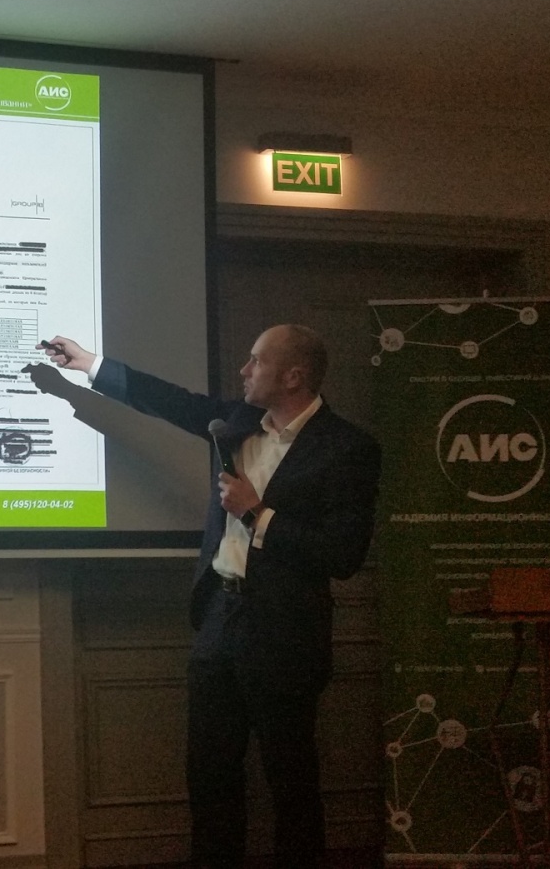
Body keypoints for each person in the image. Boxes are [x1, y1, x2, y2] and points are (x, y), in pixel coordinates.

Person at [37, 325, 381, 869]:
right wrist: (89, 364)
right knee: (210, 775)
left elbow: (342, 555)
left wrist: (256, 513)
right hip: (219, 617)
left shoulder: (348, 449)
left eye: (256, 361)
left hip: (286, 633)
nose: (244, 370)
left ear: (293, 376)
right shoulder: (237, 422)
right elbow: (170, 401)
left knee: (291, 780)